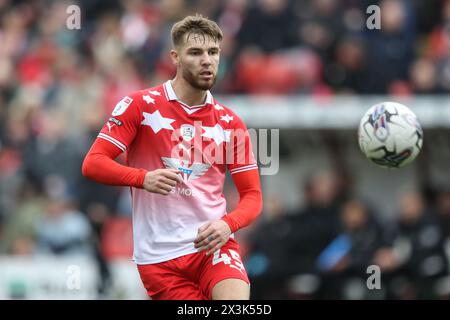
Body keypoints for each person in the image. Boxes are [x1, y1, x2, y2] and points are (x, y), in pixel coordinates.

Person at [82, 14, 263, 300]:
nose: (207, 60)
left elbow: (252, 196)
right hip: (158, 259)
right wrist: (143, 178)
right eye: (195, 52)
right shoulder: (140, 105)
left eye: (213, 52)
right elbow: (93, 163)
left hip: (213, 247)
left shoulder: (230, 122)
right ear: (175, 57)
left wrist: (228, 224)